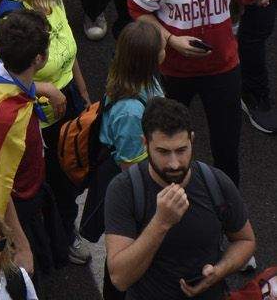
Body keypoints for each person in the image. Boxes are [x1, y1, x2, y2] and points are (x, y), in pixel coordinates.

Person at [125, 0, 246, 180]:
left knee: (227, 149)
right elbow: (138, 10)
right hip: (175, 72)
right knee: (170, 149)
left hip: (223, 66)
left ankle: (226, 211)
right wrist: (170, 40)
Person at [103, 96, 252, 300]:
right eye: (163, 152)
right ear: (145, 143)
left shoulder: (215, 182)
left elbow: (245, 240)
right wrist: (161, 222)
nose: (174, 163)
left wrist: (219, 271)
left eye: (181, 150)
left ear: (191, 139)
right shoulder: (124, 190)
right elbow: (120, 278)